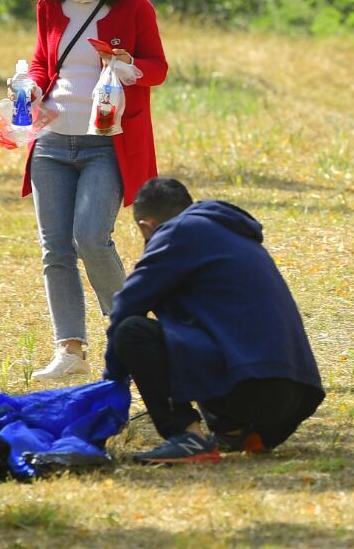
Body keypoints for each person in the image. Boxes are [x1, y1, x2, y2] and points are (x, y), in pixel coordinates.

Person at [19, 0, 169, 382]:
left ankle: (129, 334)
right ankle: (70, 349)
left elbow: (158, 68)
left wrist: (127, 67)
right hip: (52, 140)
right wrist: (30, 87)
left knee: (90, 237)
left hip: (107, 140)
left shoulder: (132, 4)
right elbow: (46, 63)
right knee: (55, 248)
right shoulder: (50, 4)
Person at [104, 177, 325, 464]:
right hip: (297, 395)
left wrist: (110, 385)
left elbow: (125, 307)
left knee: (131, 331)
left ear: (146, 227)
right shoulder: (227, 230)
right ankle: (236, 433)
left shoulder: (177, 233)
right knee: (196, 329)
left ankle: (188, 437)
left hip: (255, 386)